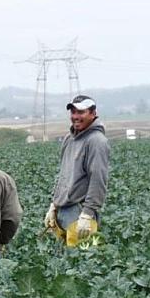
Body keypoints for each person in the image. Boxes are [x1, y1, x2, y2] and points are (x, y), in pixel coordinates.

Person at [43, 95, 111, 246]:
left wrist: (87, 214)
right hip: (63, 210)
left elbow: (98, 180)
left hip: (79, 212)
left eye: (81, 112)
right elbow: (63, 175)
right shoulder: (69, 138)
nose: (75, 117)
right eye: (73, 112)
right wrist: (54, 205)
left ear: (93, 113)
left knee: (80, 261)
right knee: (63, 262)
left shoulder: (96, 141)